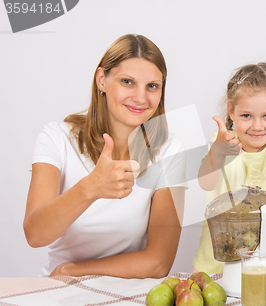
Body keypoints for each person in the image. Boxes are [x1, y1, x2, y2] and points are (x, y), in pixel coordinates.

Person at [23, 34, 186, 278]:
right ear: (102, 80)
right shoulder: (56, 138)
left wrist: (73, 270)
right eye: (127, 82)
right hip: (57, 292)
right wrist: (89, 188)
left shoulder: (170, 149)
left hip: (126, 297)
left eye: (152, 86)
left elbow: (158, 262)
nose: (141, 98)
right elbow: (35, 235)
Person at [192, 62, 266, 274]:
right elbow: (205, 183)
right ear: (231, 111)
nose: (257, 126)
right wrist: (218, 150)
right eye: (246, 116)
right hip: (213, 265)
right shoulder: (222, 143)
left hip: (262, 266)